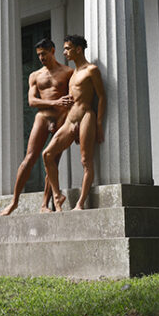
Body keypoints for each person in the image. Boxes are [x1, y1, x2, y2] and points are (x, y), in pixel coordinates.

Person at [0, 38, 74, 216]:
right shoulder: (35, 75)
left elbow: (71, 100)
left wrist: (65, 118)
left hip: (61, 118)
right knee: (30, 157)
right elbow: (32, 101)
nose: (41, 58)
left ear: (53, 51)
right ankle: (14, 202)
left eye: (44, 54)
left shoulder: (67, 72)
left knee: (53, 160)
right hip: (42, 117)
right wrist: (54, 102)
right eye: (39, 55)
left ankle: (44, 204)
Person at [42, 35, 105, 211]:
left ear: (78, 49)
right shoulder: (72, 74)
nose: (64, 52)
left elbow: (101, 97)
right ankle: (57, 195)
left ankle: (80, 203)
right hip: (70, 119)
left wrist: (99, 124)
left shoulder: (91, 70)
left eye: (68, 48)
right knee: (47, 154)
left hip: (86, 116)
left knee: (86, 161)